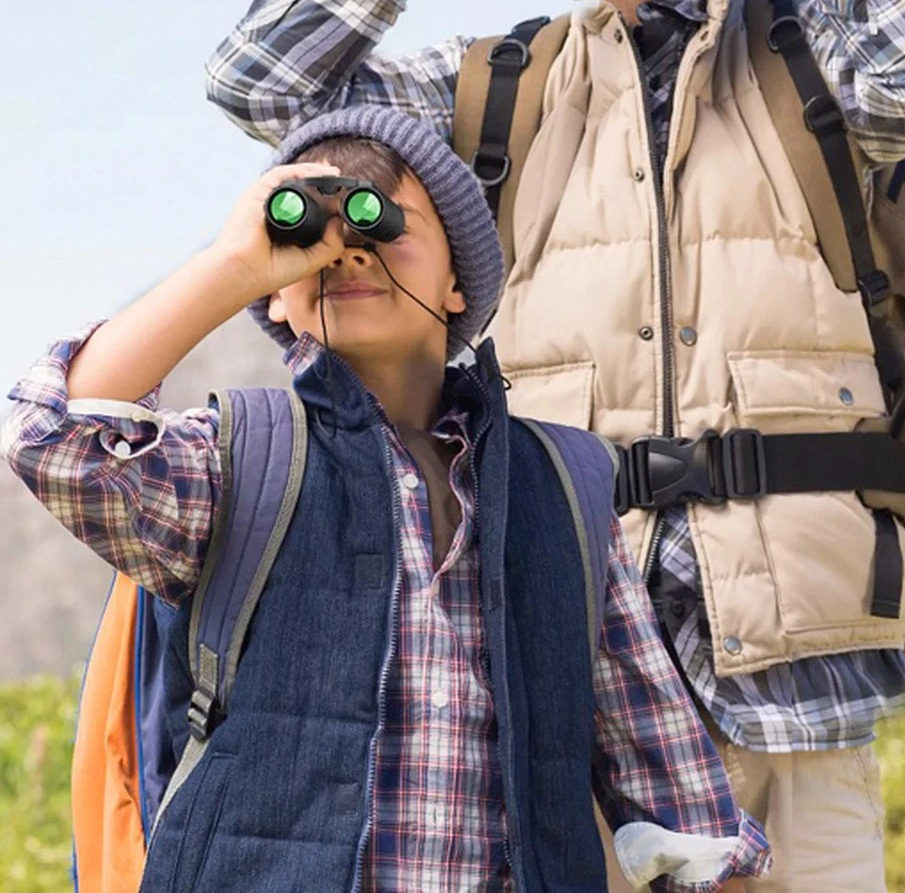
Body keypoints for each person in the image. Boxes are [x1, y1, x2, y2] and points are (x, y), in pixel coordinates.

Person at [201, 0, 905, 889]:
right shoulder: (483, 96)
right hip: (556, 670)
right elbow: (261, 84)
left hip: (800, 687)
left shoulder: (817, 67)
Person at [2, 107, 770, 892]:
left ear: (458, 279)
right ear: (273, 297)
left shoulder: (562, 481)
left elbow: (661, 759)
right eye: (313, 238)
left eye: (382, 222)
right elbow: (48, 439)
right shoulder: (237, 461)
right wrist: (235, 263)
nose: (349, 250)